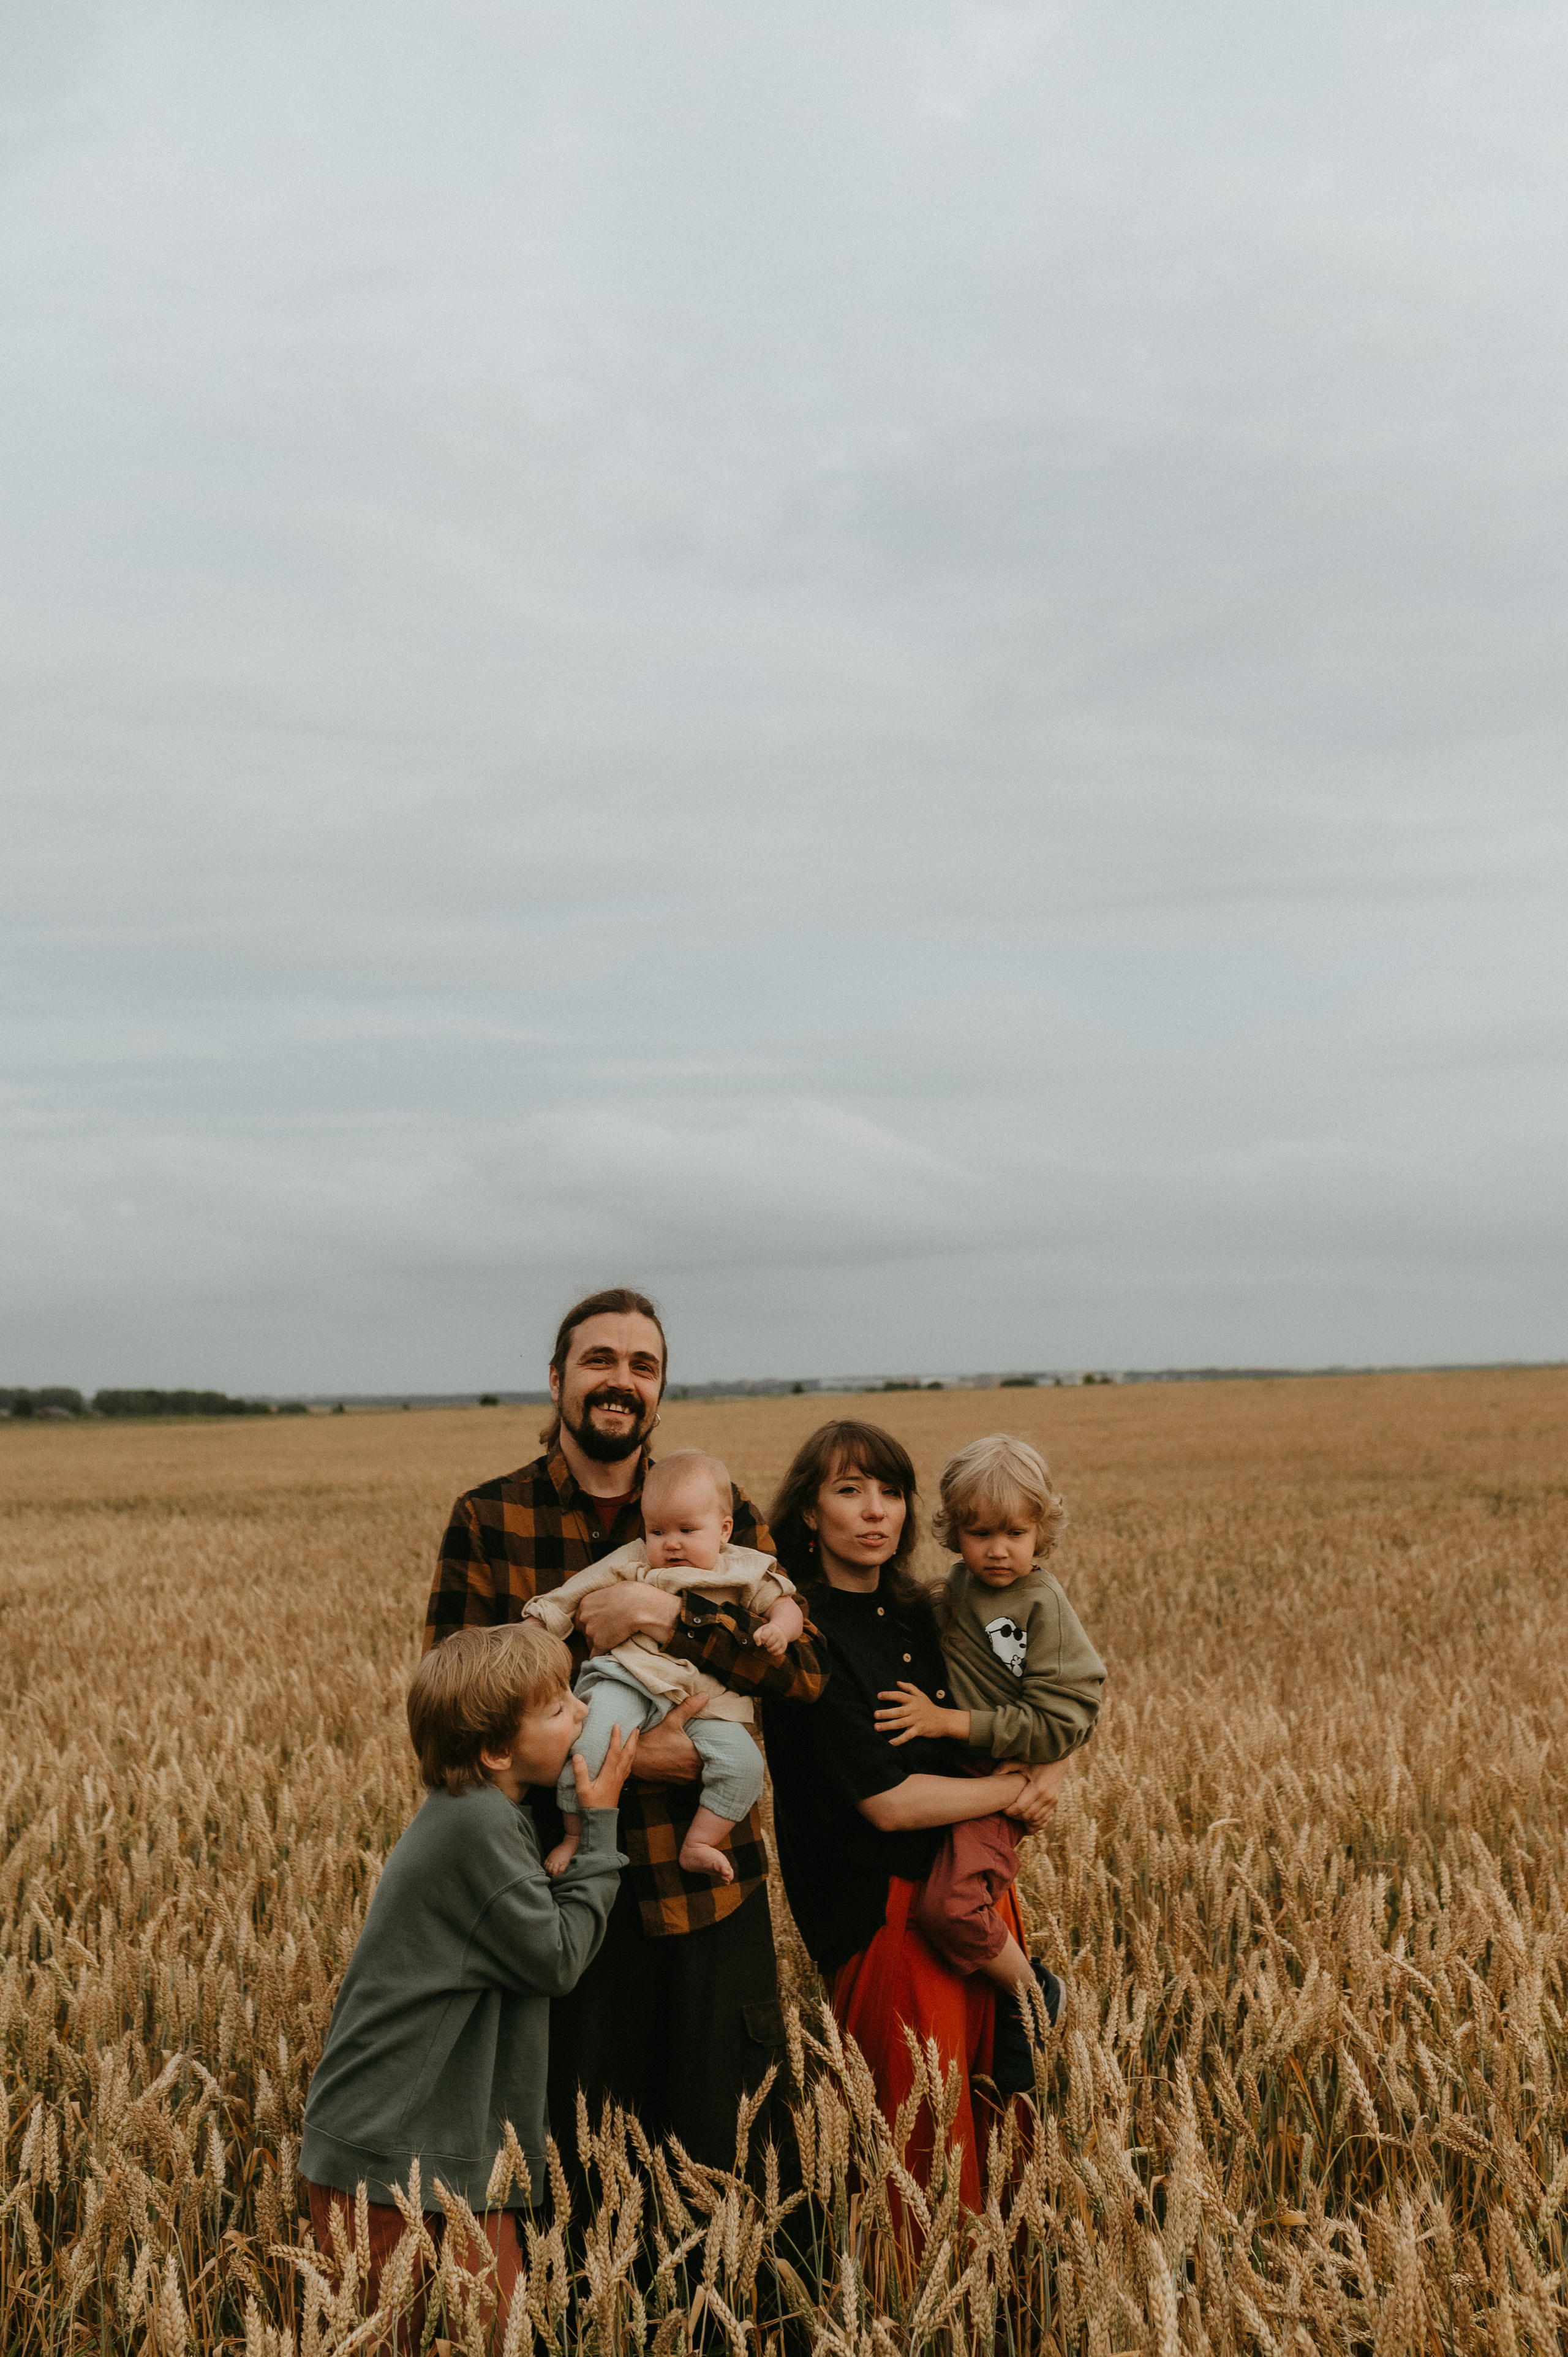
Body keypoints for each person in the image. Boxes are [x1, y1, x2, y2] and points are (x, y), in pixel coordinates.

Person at [423, 1286, 826, 2170]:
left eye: (643, 1364)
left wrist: (663, 1614)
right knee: (579, 2174)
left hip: (709, 1894)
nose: (621, 1380)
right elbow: (457, 1723)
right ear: (558, 1376)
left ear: (660, 1388)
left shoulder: (726, 1514)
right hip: (555, 1899)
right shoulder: (491, 1520)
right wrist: (644, 1753)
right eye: (600, 1359)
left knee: (735, 2166)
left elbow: (803, 1674)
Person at [300, 1622, 636, 2350]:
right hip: (393, 2160)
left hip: (423, 2149)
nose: (581, 1711)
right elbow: (556, 1958)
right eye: (556, 1710)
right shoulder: (477, 1824)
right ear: (494, 1750)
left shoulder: (479, 1812)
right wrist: (600, 1825)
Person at [759, 1420, 1065, 2214]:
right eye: (849, 1489)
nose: (875, 1511)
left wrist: (1052, 1765)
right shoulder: (805, 1644)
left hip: (978, 1900)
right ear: (809, 1513)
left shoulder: (928, 1613)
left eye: (891, 1491)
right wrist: (1013, 1791)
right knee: (922, 2170)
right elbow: (888, 1804)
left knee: (1006, 2145)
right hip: (889, 1921)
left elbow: (1043, 1691)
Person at [873, 1432, 1105, 2093]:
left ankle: (1033, 1997)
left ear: (1041, 1531)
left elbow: (1065, 1715)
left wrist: (951, 1723)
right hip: (960, 1778)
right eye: (978, 1533)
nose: (997, 1549)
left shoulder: (1042, 1606)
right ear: (954, 1533)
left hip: (1002, 1780)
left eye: (1014, 1532)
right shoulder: (960, 1587)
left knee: (951, 1907)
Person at [524, 1448, 805, 1882]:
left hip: (704, 1700)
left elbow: (786, 1605)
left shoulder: (745, 1568)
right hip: (632, 1678)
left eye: (687, 1530)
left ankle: (700, 1842)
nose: (670, 1542)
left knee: (745, 1763)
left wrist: (780, 1631)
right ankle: (575, 1834)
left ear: (724, 1530)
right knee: (594, 1741)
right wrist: (542, 1619)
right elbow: (579, 1588)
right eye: (657, 1530)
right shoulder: (635, 1558)